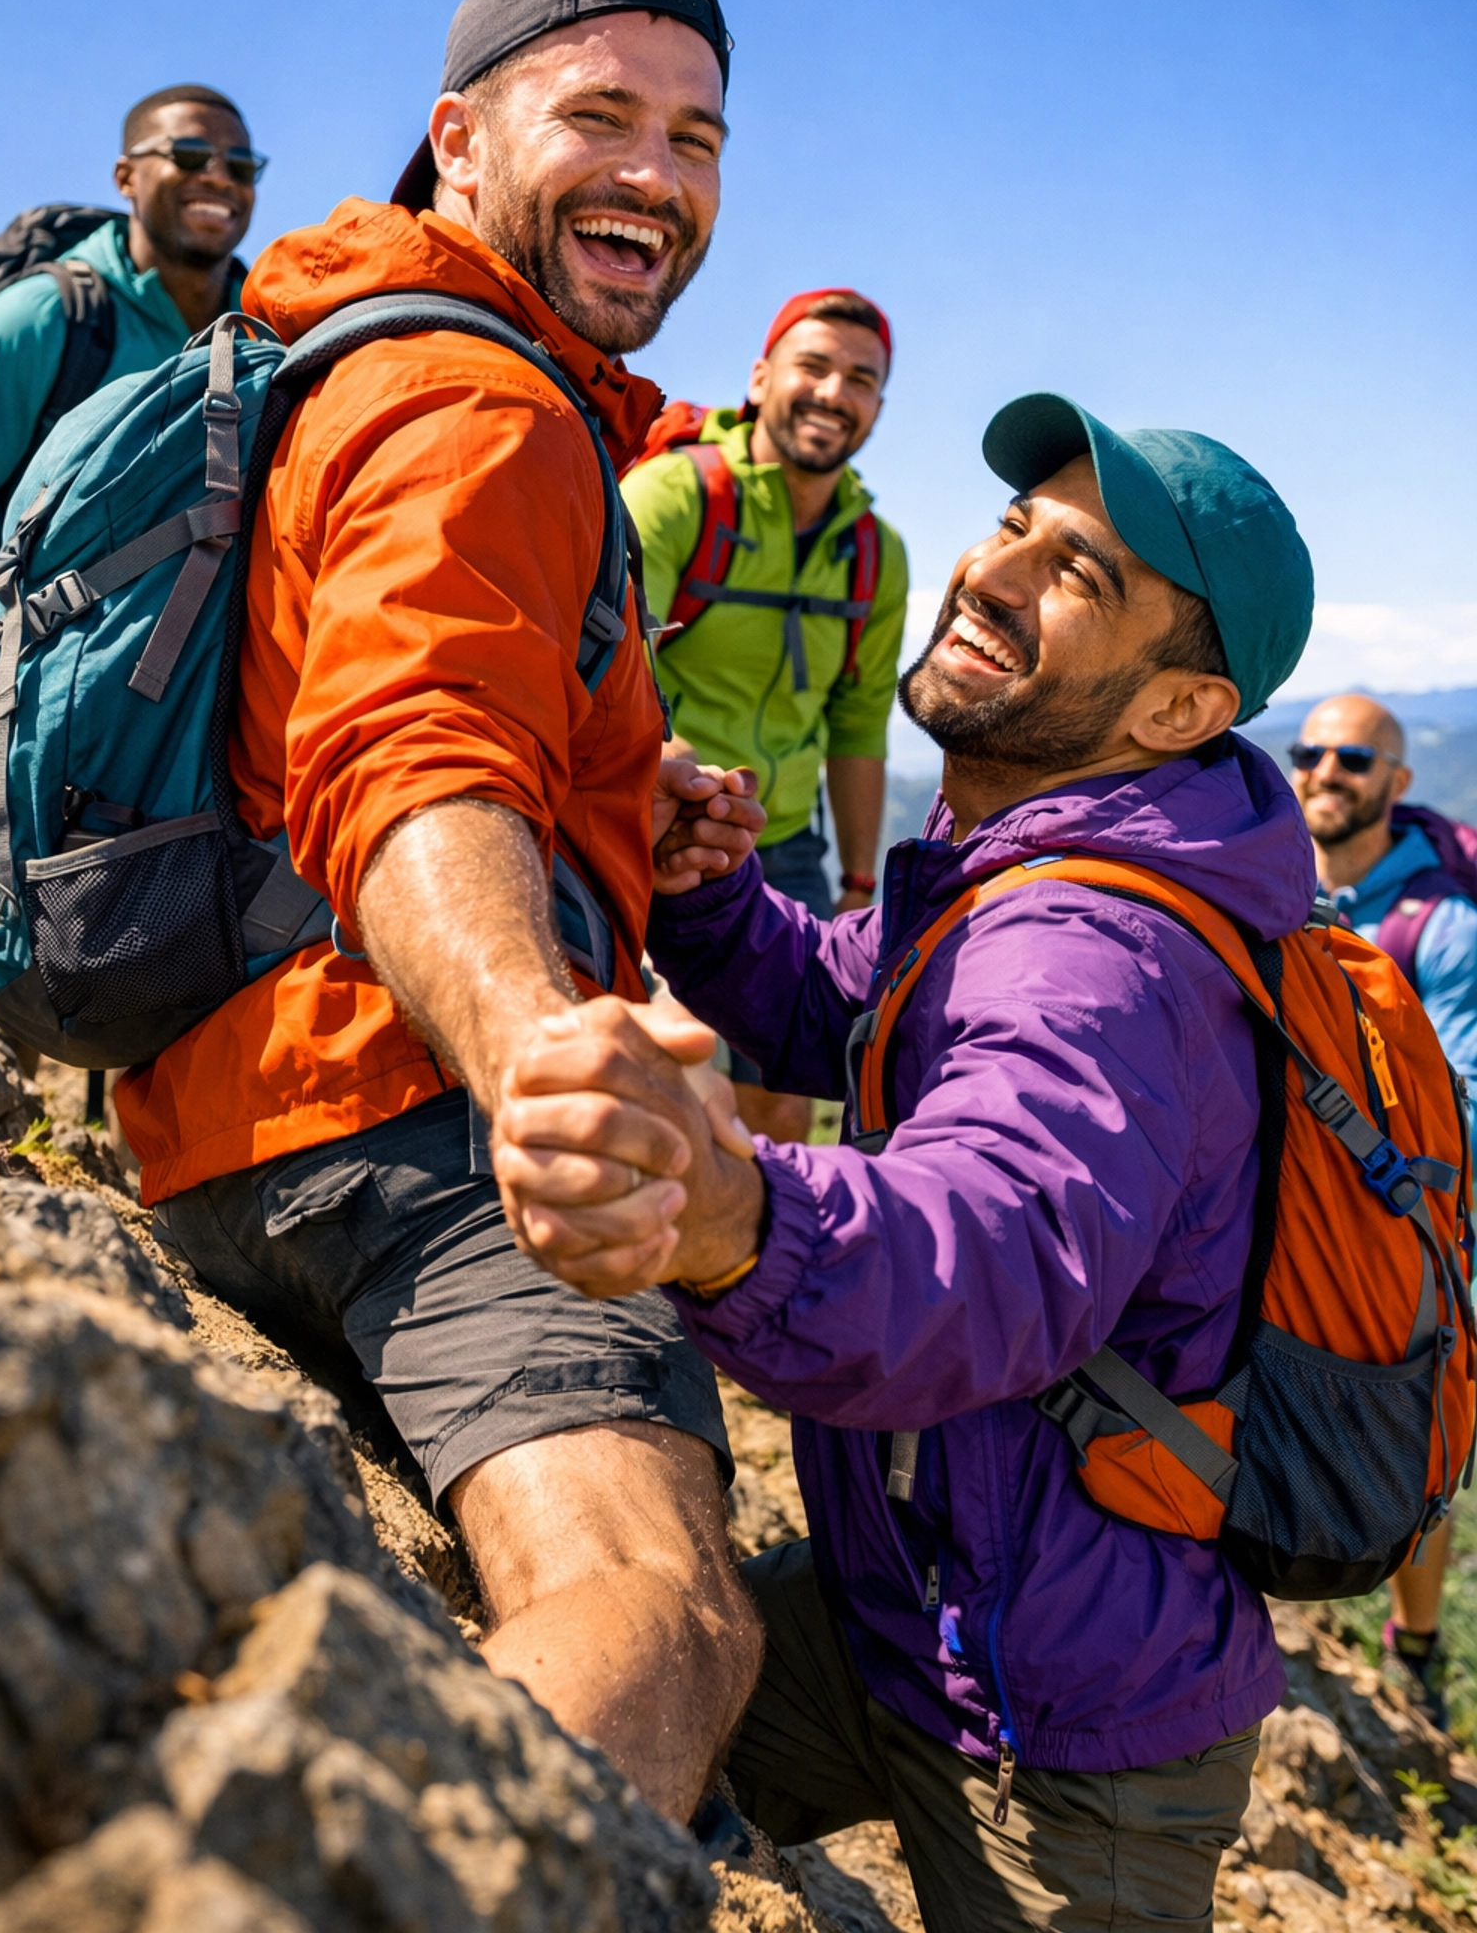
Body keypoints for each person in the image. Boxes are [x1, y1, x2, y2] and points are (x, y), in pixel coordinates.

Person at [490, 394, 1322, 1931]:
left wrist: (734, 1205)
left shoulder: (1099, 953)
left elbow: (989, 1248)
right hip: (911, 1614)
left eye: (1083, 575)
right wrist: (715, 901)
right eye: (1018, 525)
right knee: (660, 1688)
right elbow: (858, 999)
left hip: (1068, 1737)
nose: (997, 572)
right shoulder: (1043, 854)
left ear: (1179, 711)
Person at [115, 0, 766, 1826]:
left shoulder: (356, 343)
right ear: (459, 142)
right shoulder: (485, 405)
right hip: (404, 1117)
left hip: (210, 1112)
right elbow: (410, 753)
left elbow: (389, 677)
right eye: (601, 116)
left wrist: (642, 783)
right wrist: (537, 1049)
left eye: (699, 135)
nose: (657, 170)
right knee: (664, 1603)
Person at [623, 288, 908, 1140]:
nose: (834, 392)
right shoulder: (674, 496)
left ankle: (758, 1265)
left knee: (788, 1092)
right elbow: (614, 674)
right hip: (658, 820)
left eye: (861, 379)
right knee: (661, 1075)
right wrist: (683, 789)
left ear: (878, 407)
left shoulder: (874, 554)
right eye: (813, 366)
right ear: (761, 376)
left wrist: (859, 890)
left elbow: (859, 726)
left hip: (785, 844)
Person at [1289, 691, 1477, 1727]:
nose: (1326, 772)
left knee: (1420, 1435)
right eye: (1311, 751)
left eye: (1354, 758)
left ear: (1397, 785)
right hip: (1297, 1221)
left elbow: (1472, 1109)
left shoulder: (1443, 931)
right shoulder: (1262, 890)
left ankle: (1415, 1647)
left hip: (1410, 1231)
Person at [0, 85, 257, 676]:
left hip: (202, 720)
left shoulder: (267, 338)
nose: (218, 177)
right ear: (125, 176)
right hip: (27, 711)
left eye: (240, 165)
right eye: (189, 154)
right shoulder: (39, 319)